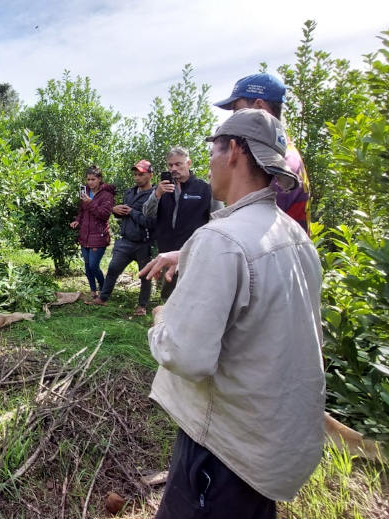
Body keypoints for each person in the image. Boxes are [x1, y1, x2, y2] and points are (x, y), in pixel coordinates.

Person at [139, 109, 324, 518]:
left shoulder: (220, 240)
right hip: (269, 443)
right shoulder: (295, 236)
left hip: (222, 451)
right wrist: (187, 253)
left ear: (235, 151)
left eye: (213, 150)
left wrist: (161, 318)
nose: (208, 161)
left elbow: (186, 356)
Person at [214, 72, 311, 233]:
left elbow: (254, 233)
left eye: (237, 110)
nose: (233, 119)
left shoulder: (275, 163)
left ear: (260, 106)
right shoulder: (285, 150)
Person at [141, 147, 217, 300]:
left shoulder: (204, 188)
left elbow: (218, 220)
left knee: (193, 297)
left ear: (188, 163)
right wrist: (157, 194)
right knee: (168, 297)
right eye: (170, 165)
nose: (174, 169)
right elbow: (146, 213)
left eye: (178, 164)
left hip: (194, 254)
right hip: (167, 254)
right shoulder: (161, 189)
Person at [88, 160, 157, 316]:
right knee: (113, 268)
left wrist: (132, 212)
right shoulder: (130, 192)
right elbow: (122, 215)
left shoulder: (155, 195)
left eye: (141, 174)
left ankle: (142, 306)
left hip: (144, 243)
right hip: (125, 240)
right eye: (135, 174)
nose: (137, 178)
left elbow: (151, 222)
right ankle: (103, 298)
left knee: (145, 275)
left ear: (150, 175)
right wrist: (115, 209)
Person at [69, 165, 115, 298]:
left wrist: (90, 202)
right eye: (88, 179)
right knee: (88, 265)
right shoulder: (85, 192)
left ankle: (104, 289)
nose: (90, 182)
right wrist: (77, 220)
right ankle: (93, 290)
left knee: (94, 265)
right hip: (85, 234)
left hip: (99, 235)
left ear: (100, 179)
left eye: (93, 179)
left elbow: (104, 214)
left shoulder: (107, 195)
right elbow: (82, 211)